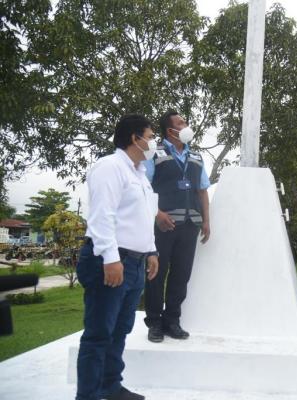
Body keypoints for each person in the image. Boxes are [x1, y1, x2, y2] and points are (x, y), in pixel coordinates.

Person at [76, 114, 159, 400]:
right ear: (135, 138)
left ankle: (111, 387)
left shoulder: (139, 175)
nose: (152, 142)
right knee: (99, 334)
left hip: (135, 262)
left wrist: (152, 251)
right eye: (150, 136)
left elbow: (143, 217)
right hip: (110, 260)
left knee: (120, 331)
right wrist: (111, 259)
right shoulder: (110, 167)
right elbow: (102, 217)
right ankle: (87, 395)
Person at [143, 110, 211, 342]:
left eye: (185, 122)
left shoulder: (197, 157)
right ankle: (154, 323)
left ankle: (172, 320)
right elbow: (142, 188)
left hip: (190, 224)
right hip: (163, 225)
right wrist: (157, 213)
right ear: (169, 130)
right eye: (181, 123)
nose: (186, 125)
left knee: (181, 275)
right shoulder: (154, 153)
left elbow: (202, 191)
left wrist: (207, 221)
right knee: (156, 273)